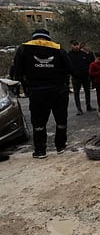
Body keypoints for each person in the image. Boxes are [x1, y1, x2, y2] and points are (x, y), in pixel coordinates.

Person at [13, 29, 72, 159]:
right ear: (48, 38)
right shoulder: (58, 48)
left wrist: (26, 83)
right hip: (58, 91)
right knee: (61, 119)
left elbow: (17, 71)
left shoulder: (24, 48)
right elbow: (69, 68)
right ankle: (60, 146)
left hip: (37, 91)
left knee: (38, 122)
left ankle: (40, 150)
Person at [69, 40, 95, 115]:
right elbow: (68, 66)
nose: (76, 46)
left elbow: (89, 63)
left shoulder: (83, 54)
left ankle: (88, 106)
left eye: (77, 44)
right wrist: (73, 73)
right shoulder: (69, 55)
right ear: (71, 45)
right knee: (76, 93)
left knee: (87, 91)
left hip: (85, 76)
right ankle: (79, 109)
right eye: (74, 45)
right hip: (76, 77)